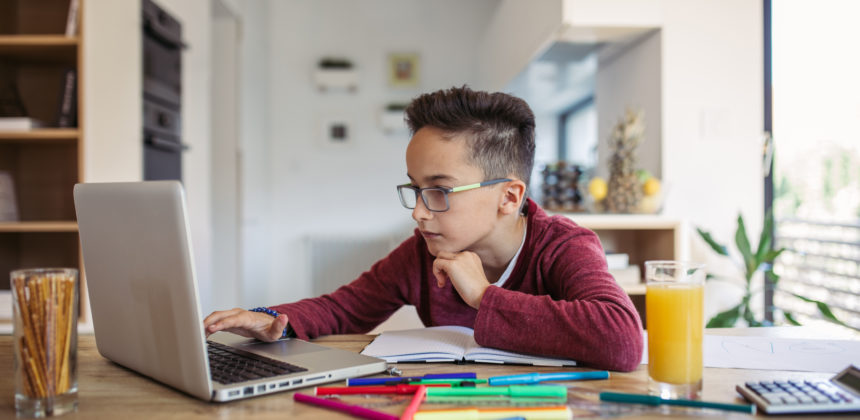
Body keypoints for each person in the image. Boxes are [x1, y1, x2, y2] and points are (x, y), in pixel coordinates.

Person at [204, 86, 643, 371]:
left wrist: (483, 296)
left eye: (439, 190)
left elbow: (622, 340)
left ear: (508, 197)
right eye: (414, 189)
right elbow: (344, 308)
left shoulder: (562, 246)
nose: (417, 212)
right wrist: (268, 320)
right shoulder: (422, 251)